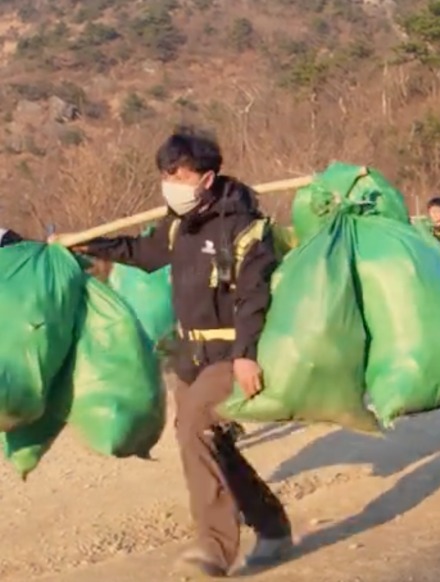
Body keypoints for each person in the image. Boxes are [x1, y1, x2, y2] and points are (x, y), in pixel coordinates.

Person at [58, 127, 292, 577]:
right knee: (209, 441)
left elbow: (254, 295)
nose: (170, 183)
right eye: (166, 175)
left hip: (230, 351)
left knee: (194, 429)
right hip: (190, 355)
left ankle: (214, 549)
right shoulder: (178, 225)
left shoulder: (245, 227)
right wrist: (86, 244)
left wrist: (246, 354)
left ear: (206, 178)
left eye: (179, 175)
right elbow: (142, 252)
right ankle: (272, 526)